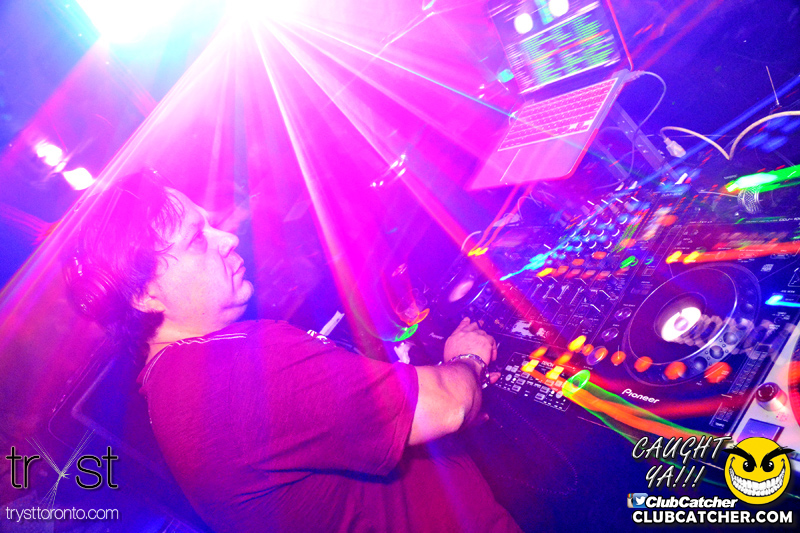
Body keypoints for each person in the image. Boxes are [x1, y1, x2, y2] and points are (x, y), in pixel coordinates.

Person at [64, 170, 521, 532]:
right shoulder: (232, 373)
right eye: (197, 238)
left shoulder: (171, 386)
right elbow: (448, 405)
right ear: (144, 295)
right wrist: (467, 360)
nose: (227, 238)